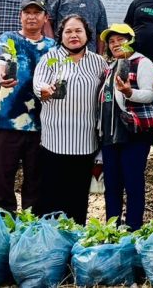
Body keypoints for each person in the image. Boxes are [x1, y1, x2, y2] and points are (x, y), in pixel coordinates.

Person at [32, 15, 105, 224]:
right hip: (55, 141)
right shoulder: (51, 58)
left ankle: (74, 238)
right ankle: (49, 241)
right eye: (68, 31)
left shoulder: (97, 62)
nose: (73, 35)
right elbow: (38, 84)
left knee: (78, 197)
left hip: (85, 142)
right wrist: (44, 90)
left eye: (78, 31)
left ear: (87, 35)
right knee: (51, 195)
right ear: (61, 36)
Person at [0, 0, 56, 212]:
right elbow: (1, 61)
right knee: (2, 174)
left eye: (37, 12)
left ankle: (31, 222)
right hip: (7, 119)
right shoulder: (9, 38)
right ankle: (2, 218)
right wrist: (1, 75)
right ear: (20, 16)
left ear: (45, 18)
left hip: (42, 122)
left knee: (36, 177)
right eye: (27, 12)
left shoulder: (53, 46)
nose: (31, 16)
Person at [97, 24, 153, 230]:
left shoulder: (142, 62)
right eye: (111, 41)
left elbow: (149, 95)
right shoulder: (110, 66)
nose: (115, 44)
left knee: (133, 183)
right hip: (110, 134)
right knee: (111, 186)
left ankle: (133, 228)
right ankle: (112, 229)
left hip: (134, 133)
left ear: (131, 40)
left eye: (120, 39)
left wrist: (130, 92)